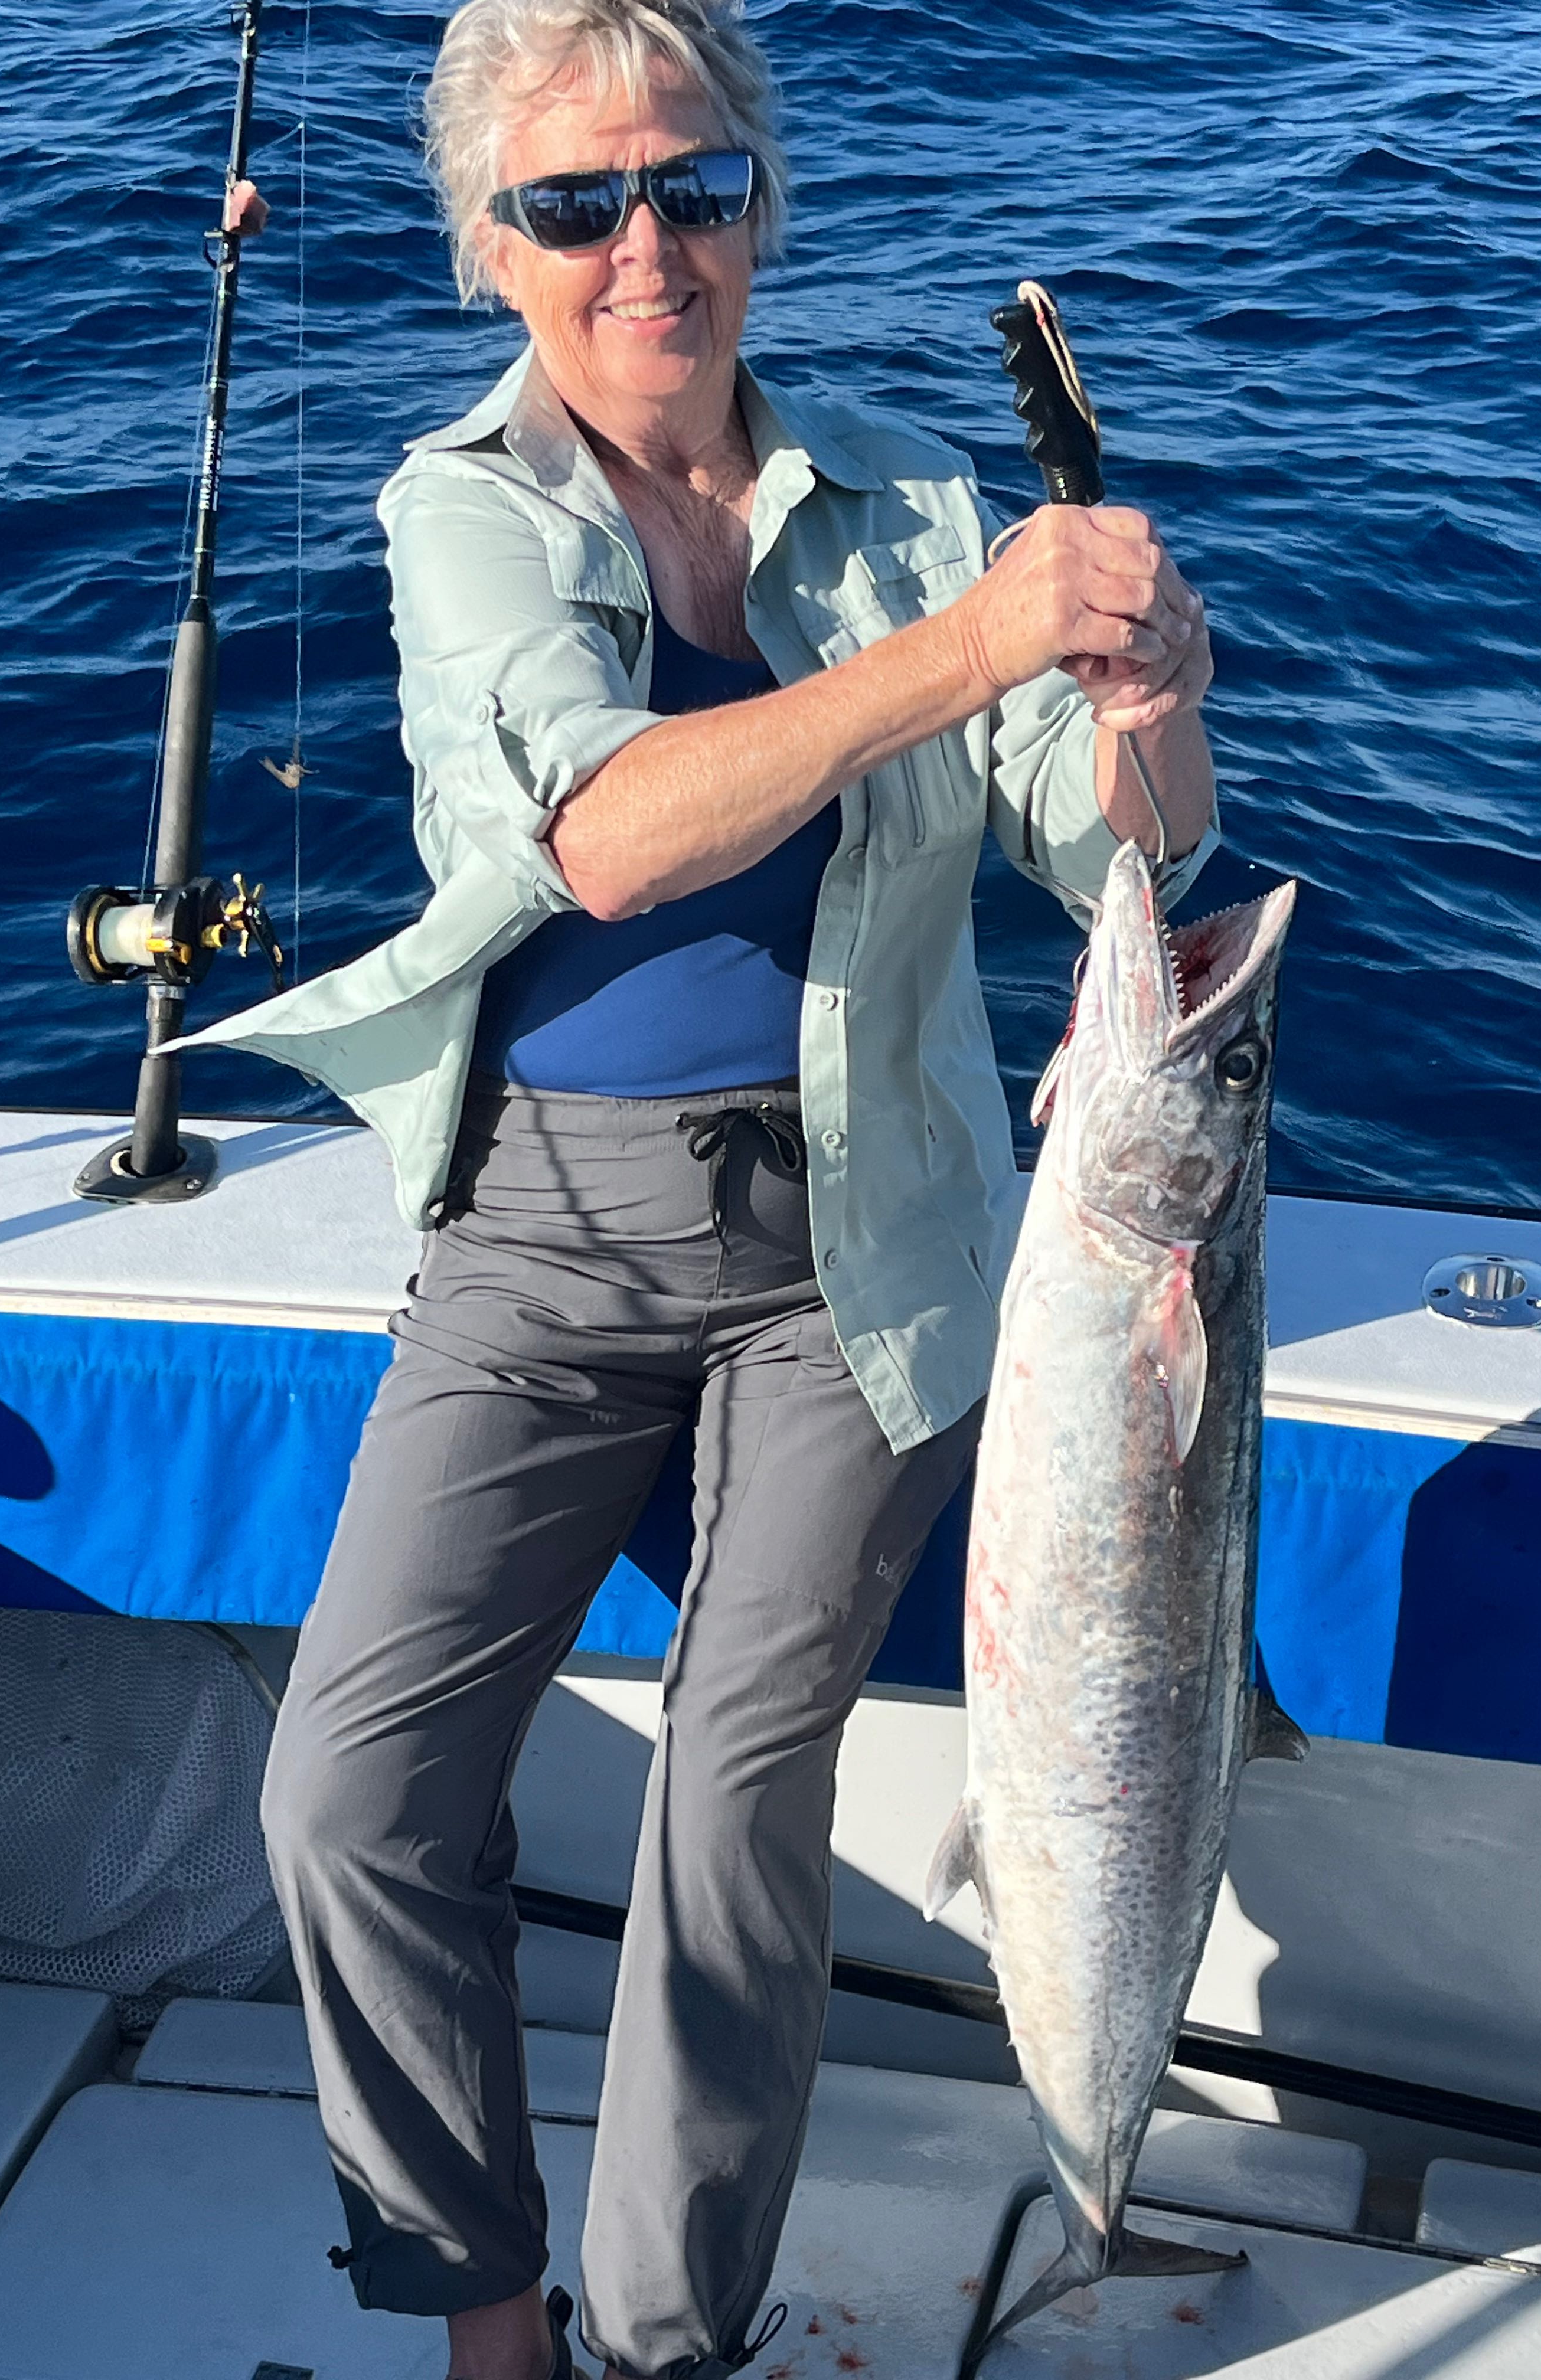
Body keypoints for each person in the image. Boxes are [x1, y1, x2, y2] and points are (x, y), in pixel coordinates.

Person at [178, 4, 1216, 2376]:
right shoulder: (466, 511)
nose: (645, 246)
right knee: (346, 1793)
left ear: (761, 208)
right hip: (533, 1226)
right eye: (576, 204)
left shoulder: (916, 496)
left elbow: (1118, 860)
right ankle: (492, 2322)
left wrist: (1150, 705)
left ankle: (664, 2349)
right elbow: (615, 836)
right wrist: (981, 641)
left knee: (737, 1795)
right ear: (495, 247)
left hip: (860, 1237)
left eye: (693, 188)